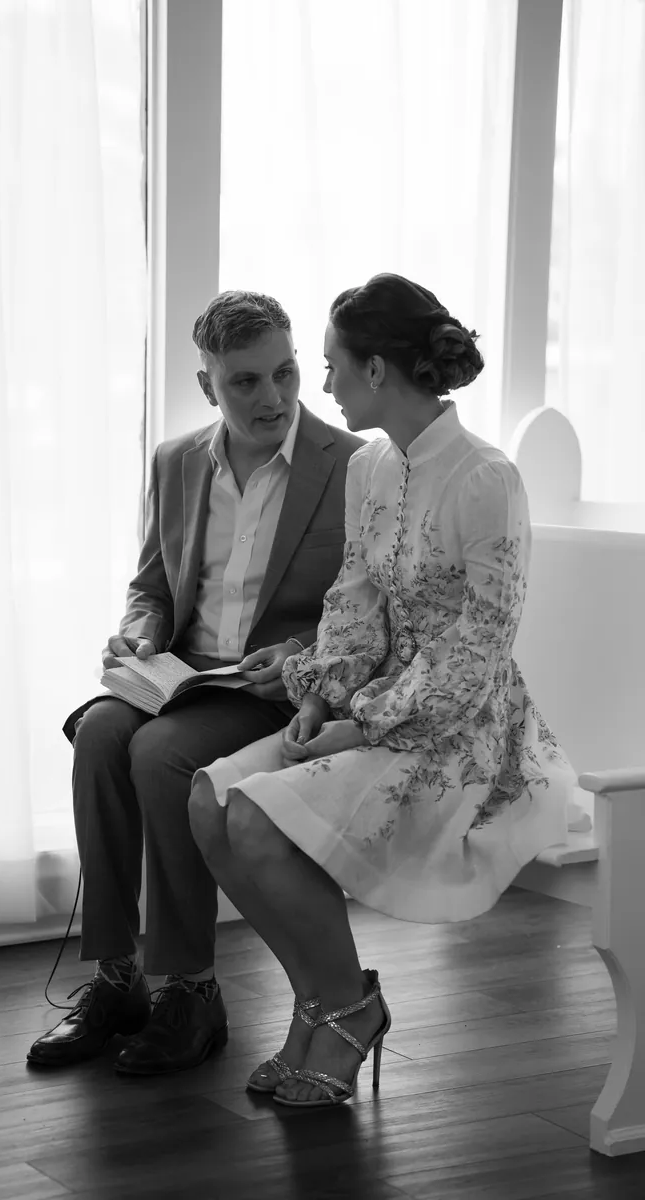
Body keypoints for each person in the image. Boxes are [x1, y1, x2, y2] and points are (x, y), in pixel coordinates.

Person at [188, 272, 575, 1110]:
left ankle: (344, 1013)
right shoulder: (369, 468)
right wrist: (319, 698)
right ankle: (327, 1002)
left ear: (374, 372)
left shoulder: (486, 479)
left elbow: (477, 653)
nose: (316, 387)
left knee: (255, 818)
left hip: (464, 729)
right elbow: (353, 603)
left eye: (327, 366)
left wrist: (357, 728)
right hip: (369, 709)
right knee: (207, 802)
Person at [26, 290, 364, 1073]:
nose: (272, 397)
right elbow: (151, 584)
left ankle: (191, 990)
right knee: (102, 734)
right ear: (208, 383)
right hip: (180, 669)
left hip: (270, 681)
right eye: (245, 382)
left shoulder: (352, 466)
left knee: (160, 755)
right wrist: (141, 632)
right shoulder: (176, 460)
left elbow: (364, 605)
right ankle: (117, 980)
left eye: (284, 373)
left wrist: (304, 652)